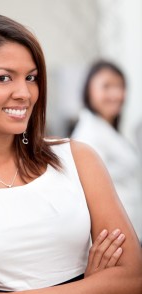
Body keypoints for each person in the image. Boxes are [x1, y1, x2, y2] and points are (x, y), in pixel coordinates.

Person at [0, 13, 141, 294]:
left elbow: (133, 280)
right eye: (3, 78)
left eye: (31, 77)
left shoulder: (79, 158)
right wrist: (90, 286)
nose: (24, 93)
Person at [71, 60, 142, 244]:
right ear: (89, 90)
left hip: (129, 230)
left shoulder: (107, 130)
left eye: (120, 86)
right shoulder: (89, 134)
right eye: (107, 86)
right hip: (115, 239)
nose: (116, 94)